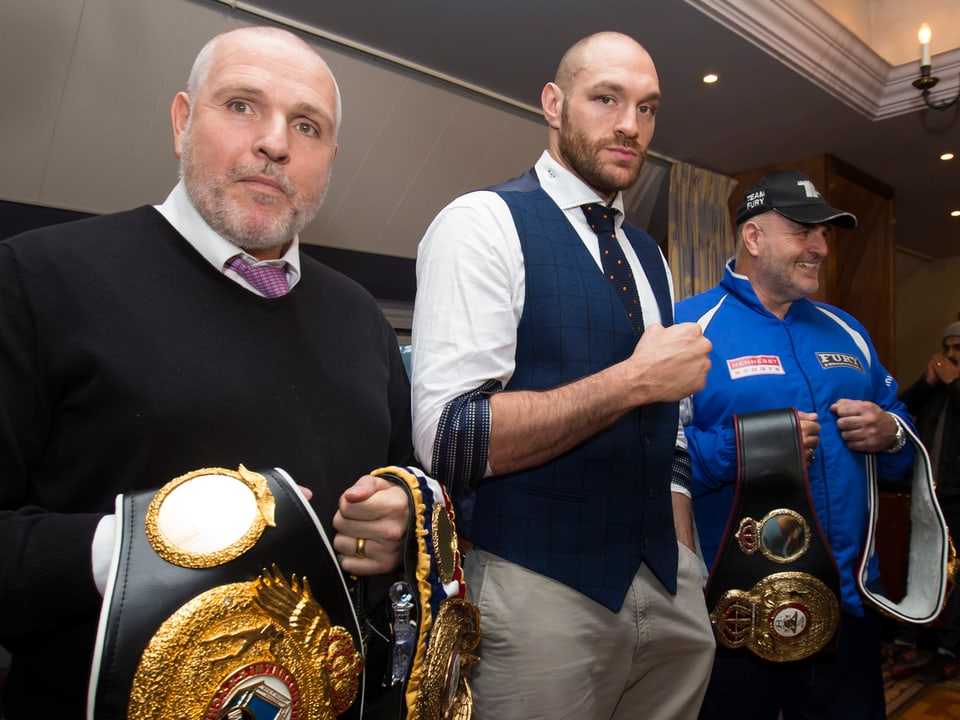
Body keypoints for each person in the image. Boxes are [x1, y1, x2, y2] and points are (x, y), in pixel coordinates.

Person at [0, 26, 415, 718]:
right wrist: (144, 547)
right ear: (183, 122)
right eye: (243, 106)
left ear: (330, 159)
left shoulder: (364, 321)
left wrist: (398, 532)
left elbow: (401, 481)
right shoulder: (37, 278)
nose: (276, 143)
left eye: (307, 126)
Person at [410, 31, 715, 720]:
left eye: (648, 107)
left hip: (667, 586)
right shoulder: (483, 223)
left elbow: (666, 436)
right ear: (554, 103)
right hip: (537, 592)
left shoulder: (649, 255)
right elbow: (451, 439)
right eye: (606, 99)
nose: (630, 125)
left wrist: (686, 564)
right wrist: (632, 382)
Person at [675, 169, 916, 720]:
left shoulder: (847, 330)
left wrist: (891, 432)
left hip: (850, 606)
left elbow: (904, 435)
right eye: (803, 232)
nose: (821, 248)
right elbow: (656, 455)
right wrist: (746, 451)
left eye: (826, 234)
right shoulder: (687, 327)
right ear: (753, 237)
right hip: (735, 613)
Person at [890, 321, 960, 682]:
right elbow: (900, 410)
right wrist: (929, 383)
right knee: (918, 566)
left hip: (958, 497)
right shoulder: (940, 386)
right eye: (947, 347)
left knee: (956, 575)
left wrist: (953, 384)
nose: (949, 355)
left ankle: (949, 649)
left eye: (958, 348)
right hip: (928, 494)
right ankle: (908, 638)